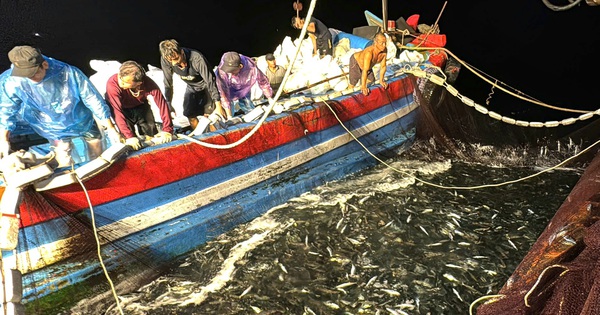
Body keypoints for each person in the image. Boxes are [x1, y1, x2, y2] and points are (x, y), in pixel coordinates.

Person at [0, 45, 122, 167]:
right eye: (26, 76)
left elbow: (92, 98)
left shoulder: (68, 73)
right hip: (50, 125)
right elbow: (7, 110)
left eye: (34, 74)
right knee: (64, 158)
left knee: (97, 150)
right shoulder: (13, 81)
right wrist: (4, 140)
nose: (31, 79)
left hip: (81, 118)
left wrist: (111, 128)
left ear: (45, 65)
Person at [105, 61, 174, 150]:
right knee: (132, 142)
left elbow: (162, 104)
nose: (120, 82)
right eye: (120, 78)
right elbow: (116, 111)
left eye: (124, 82)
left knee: (151, 132)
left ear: (138, 83)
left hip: (141, 106)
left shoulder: (147, 83)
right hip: (122, 111)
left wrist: (168, 130)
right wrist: (129, 136)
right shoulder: (113, 84)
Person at [159, 39, 225, 130]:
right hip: (191, 86)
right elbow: (168, 83)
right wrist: (169, 103)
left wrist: (218, 105)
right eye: (171, 61)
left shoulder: (197, 58)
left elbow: (210, 81)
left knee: (211, 116)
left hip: (205, 85)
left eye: (176, 59)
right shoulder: (166, 60)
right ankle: (199, 137)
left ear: (181, 52)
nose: (174, 63)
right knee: (189, 113)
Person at [215, 51, 274, 119]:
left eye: (232, 70)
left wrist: (270, 98)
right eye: (229, 71)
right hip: (229, 88)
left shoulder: (250, 66)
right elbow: (223, 93)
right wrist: (229, 116)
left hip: (244, 87)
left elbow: (263, 81)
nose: (230, 72)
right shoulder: (222, 72)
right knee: (227, 113)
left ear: (240, 66)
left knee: (248, 106)